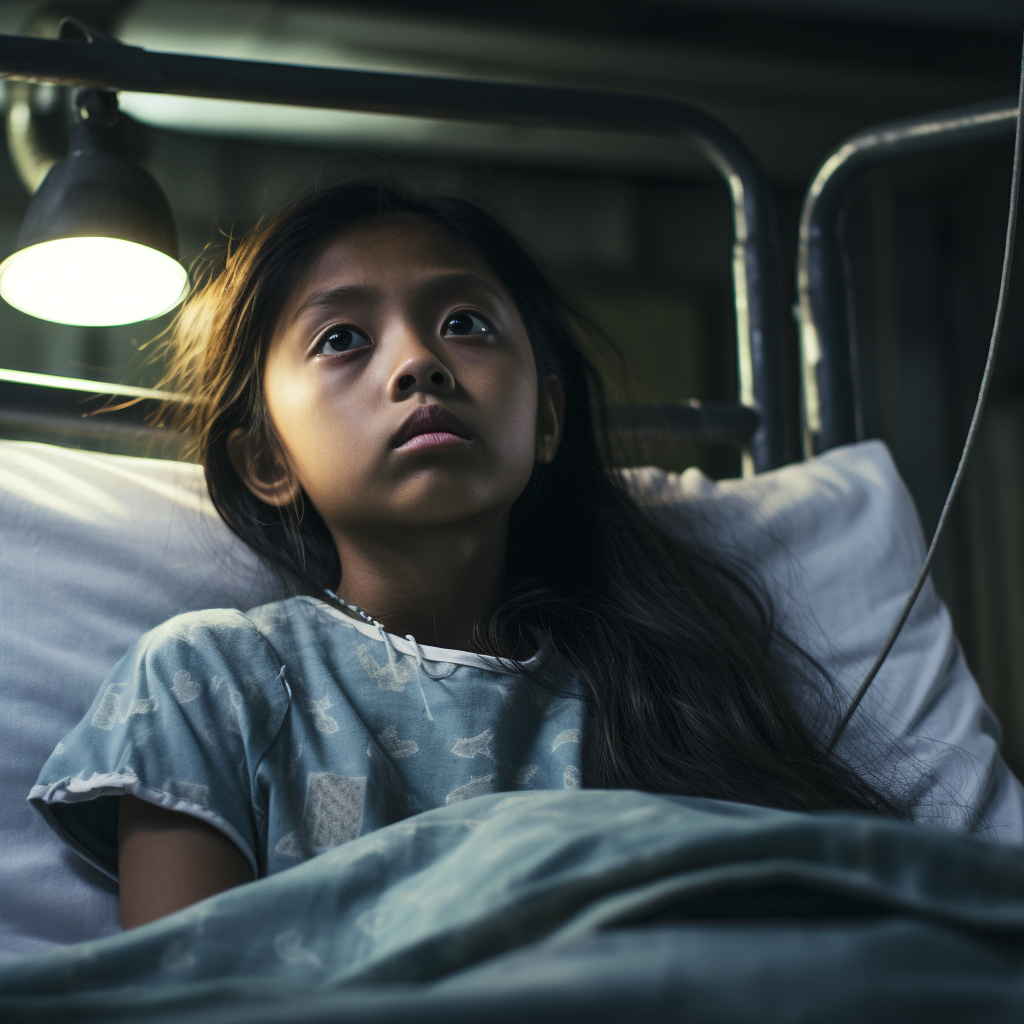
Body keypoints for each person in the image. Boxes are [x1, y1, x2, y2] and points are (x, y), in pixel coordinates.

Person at [30, 179, 904, 931]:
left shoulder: (658, 697)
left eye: (464, 323)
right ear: (266, 460)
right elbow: (180, 989)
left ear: (548, 420)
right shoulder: (210, 680)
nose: (419, 363)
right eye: (342, 338)